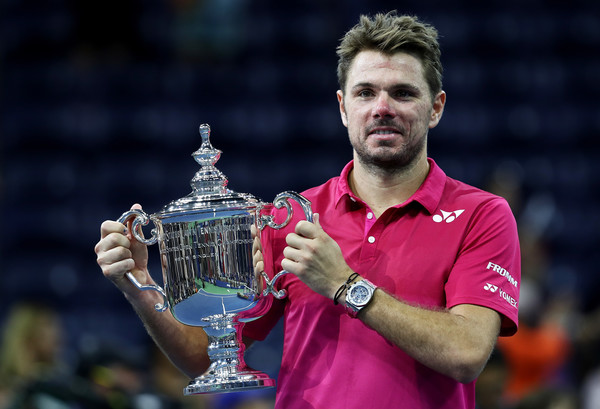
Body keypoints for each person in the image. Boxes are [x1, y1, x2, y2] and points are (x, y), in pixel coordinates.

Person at [95, 11, 520, 409]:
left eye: (403, 93)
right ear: (342, 107)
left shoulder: (482, 214)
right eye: (365, 92)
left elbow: (466, 353)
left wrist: (343, 283)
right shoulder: (292, 217)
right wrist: (140, 283)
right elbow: (205, 358)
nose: (382, 108)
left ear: (436, 108)